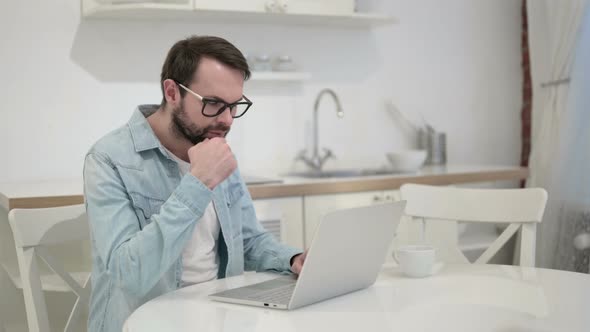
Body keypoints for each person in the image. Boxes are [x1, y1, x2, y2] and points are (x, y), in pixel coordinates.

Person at [83, 35, 306, 332]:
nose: (227, 120)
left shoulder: (213, 143)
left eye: (234, 105)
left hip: (218, 316)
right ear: (172, 92)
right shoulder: (108, 158)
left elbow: (249, 240)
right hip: (144, 323)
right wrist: (198, 183)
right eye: (213, 104)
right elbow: (128, 276)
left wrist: (293, 258)